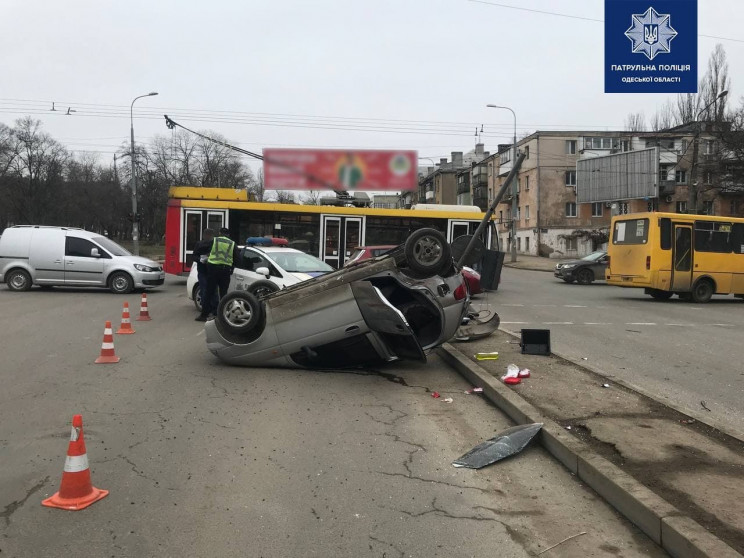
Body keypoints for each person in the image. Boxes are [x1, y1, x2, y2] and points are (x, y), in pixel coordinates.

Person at [196, 227, 237, 321]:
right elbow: (238, 259)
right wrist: (232, 267)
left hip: (213, 270)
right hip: (225, 271)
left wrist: (204, 257)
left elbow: (202, 247)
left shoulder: (214, 240)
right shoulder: (232, 244)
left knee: (208, 293)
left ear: (219, 233)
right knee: (223, 294)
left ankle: (204, 315)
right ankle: (222, 316)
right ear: (228, 235)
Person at [192, 228, 218, 317]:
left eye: (209, 235)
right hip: (204, 271)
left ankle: (213, 310)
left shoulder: (215, 244)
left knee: (212, 291)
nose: (208, 237)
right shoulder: (199, 244)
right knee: (204, 291)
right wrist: (200, 259)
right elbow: (194, 256)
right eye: (207, 235)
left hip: (211, 271)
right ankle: (207, 310)